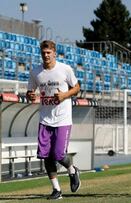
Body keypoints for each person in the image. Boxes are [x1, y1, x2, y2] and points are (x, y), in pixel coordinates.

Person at [26, 40, 81, 200]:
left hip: (62, 119)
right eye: (43, 53)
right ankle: (56, 189)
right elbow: (30, 92)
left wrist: (64, 95)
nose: (46, 55)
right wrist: (30, 95)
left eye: (49, 52)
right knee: (46, 156)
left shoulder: (65, 69)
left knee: (58, 154)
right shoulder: (36, 72)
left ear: (54, 53)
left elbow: (77, 87)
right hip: (45, 119)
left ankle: (72, 170)